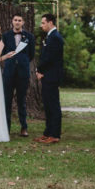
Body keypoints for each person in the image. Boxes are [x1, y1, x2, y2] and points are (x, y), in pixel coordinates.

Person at [0, 13, 35, 137]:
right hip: (8, 72)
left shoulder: (29, 37)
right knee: (7, 101)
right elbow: (2, 53)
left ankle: (24, 127)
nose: (17, 22)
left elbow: (31, 54)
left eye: (20, 20)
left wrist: (21, 62)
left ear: (23, 22)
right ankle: (6, 128)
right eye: (15, 20)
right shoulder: (5, 36)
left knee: (22, 101)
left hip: (22, 73)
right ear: (12, 22)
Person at [35, 13, 63, 144]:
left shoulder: (55, 37)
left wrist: (39, 70)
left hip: (51, 76)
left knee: (53, 105)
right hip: (47, 75)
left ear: (50, 23)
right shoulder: (50, 36)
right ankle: (47, 133)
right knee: (47, 105)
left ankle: (55, 134)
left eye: (43, 23)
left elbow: (49, 58)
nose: (41, 26)